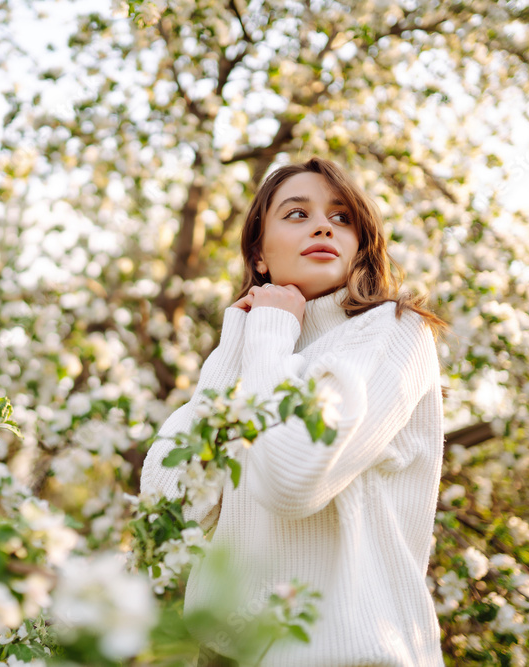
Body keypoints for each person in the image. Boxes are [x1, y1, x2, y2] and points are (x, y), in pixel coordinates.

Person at [140, 156, 448, 666]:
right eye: (297, 214)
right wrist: (233, 349)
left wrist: (265, 337)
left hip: (347, 656)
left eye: (342, 217)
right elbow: (167, 518)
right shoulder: (255, 351)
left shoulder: (393, 333)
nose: (324, 224)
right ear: (259, 252)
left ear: (357, 248)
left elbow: (292, 481)